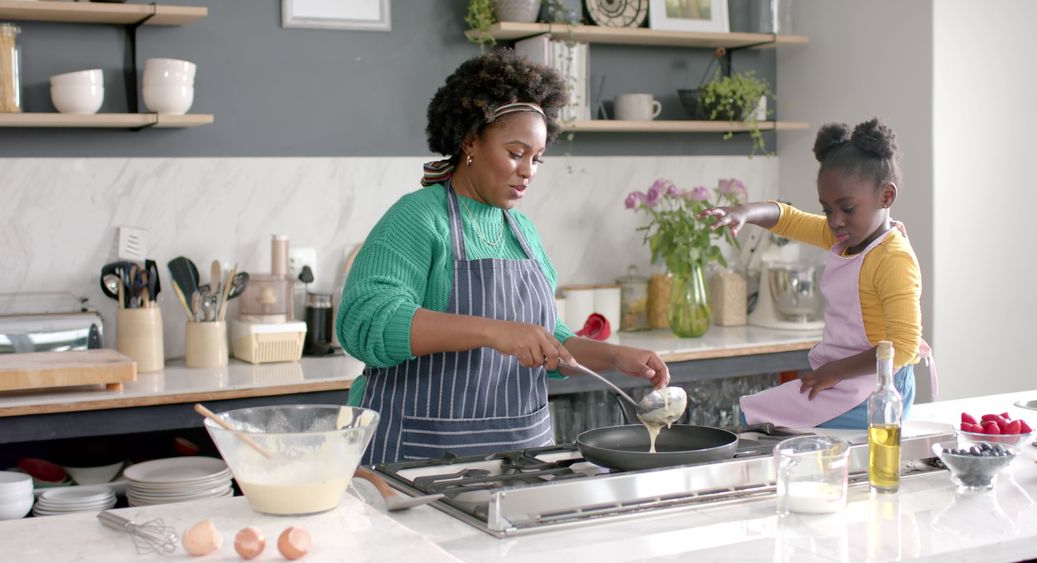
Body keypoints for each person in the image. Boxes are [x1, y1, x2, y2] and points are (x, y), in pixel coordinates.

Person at [337, 50, 670, 464]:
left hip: (520, 458)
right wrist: (494, 331)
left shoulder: (522, 232)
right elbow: (364, 323)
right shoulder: (418, 217)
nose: (528, 170)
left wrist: (615, 357)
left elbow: (548, 340)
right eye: (515, 153)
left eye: (537, 158)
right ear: (470, 140)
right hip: (418, 460)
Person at [700, 117, 935, 428]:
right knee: (756, 415)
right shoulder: (845, 235)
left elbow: (903, 347)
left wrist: (835, 371)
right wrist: (745, 212)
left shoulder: (893, 259)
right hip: (846, 380)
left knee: (761, 418)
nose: (835, 220)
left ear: (886, 196)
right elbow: (789, 219)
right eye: (827, 209)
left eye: (847, 208)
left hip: (879, 387)